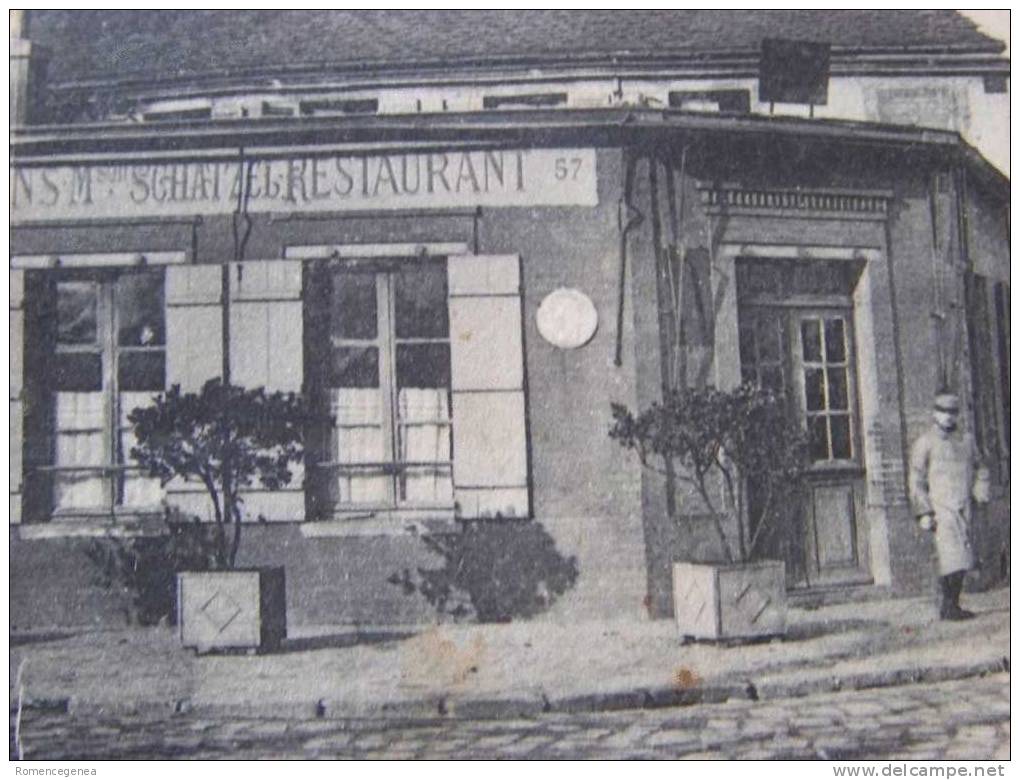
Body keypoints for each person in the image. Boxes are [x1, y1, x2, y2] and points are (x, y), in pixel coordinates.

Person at [908, 392, 990, 620]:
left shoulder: (966, 441)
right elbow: (916, 479)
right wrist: (924, 511)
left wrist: (980, 488)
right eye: (943, 412)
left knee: (963, 557)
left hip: (964, 505)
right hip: (940, 508)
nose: (948, 417)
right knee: (949, 557)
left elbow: (981, 466)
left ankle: (953, 603)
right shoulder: (925, 444)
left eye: (952, 412)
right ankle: (948, 605)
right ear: (935, 413)